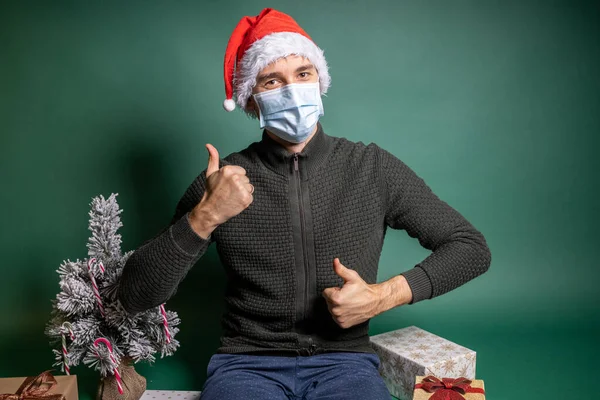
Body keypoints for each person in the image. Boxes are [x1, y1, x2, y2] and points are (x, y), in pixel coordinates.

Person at [118, 7, 491, 400]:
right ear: (250, 101)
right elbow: (135, 294)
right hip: (246, 365)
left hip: (344, 363)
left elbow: (470, 247)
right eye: (271, 81)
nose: (292, 91)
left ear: (319, 81)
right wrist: (205, 215)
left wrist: (383, 296)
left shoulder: (370, 167)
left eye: (302, 74)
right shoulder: (222, 180)